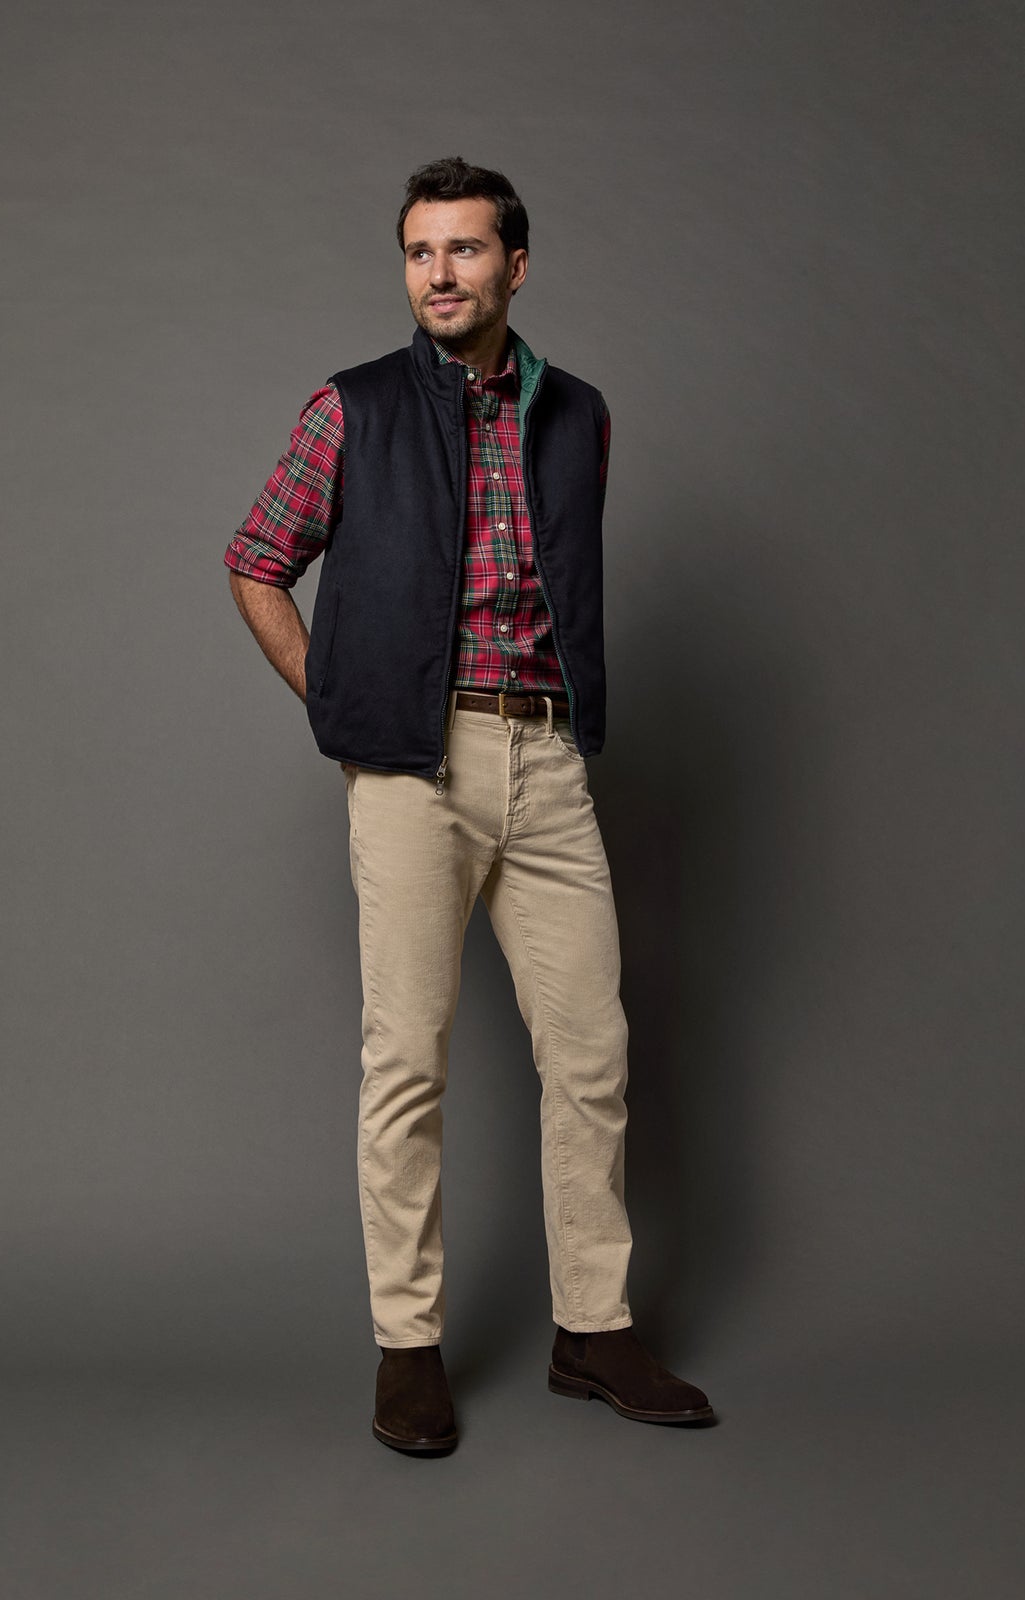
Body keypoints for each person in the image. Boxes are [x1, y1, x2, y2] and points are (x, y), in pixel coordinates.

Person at [225, 157, 713, 1453]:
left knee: (592, 1054)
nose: (439, 274)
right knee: (407, 1063)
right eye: (419, 251)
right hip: (411, 770)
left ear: (516, 265)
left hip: (547, 761)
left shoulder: (579, 415)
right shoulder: (354, 408)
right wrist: (345, 701)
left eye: (466, 249)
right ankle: (408, 1347)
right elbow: (257, 560)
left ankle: (593, 1328)